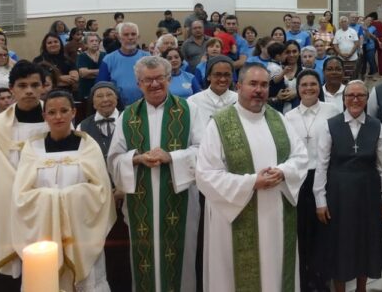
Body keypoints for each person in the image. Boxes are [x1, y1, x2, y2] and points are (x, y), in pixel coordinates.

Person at [196, 63, 309, 292]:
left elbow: (300, 156)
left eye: (264, 85)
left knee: (276, 272)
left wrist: (284, 171)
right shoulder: (220, 123)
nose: (259, 90)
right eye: (253, 84)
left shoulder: (278, 119)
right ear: (238, 87)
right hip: (235, 216)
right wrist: (251, 183)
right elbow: (205, 174)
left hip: (276, 214)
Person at [107, 56, 207, 292]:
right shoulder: (128, 115)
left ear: (169, 79)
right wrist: (136, 158)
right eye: (147, 80)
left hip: (180, 198)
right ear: (138, 83)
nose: (154, 84)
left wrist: (172, 157)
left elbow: (204, 151)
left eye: (159, 78)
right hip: (140, 201)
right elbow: (113, 158)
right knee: (144, 260)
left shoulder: (190, 110)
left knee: (181, 259)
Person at [12, 90, 116, 292]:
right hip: (44, 232)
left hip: (82, 232)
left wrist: (64, 197)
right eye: (51, 112)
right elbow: (21, 195)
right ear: (44, 116)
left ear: (73, 112)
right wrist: (55, 198)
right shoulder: (32, 148)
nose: (58, 117)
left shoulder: (87, 146)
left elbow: (101, 192)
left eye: (64, 111)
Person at [0, 60, 50, 289]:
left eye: (35, 85)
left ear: (43, 86)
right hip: (10, 207)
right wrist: (20, 194)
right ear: (12, 88)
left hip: (47, 203)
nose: (29, 91)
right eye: (22, 85)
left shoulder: (55, 118)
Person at [314, 80, 382, 292]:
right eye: (351, 96)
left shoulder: (376, 125)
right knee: (341, 242)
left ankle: (361, 288)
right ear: (344, 99)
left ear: (367, 99)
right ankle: (339, 288)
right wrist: (320, 200)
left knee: (365, 241)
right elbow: (321, 165)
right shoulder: (330, 125)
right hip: (339, 193)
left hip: (368, 192)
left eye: (360, 96)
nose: (355, 100)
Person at [284, 69, 341, 292]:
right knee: (302, 229)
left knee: (324, 229)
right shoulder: (288, 116)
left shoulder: (332, 111)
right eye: (304, 85)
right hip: (299, 179)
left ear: (320, 86)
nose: (308, 88)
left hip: (325, 176)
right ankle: (304, 275)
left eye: (313, 84)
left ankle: (322, 276)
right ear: (297, 89)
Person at [97, 22, 150, 106]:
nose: (130, 37)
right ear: (119, 38)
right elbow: (101, 87)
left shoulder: (148, 58)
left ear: (138, 37)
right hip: (118, 108)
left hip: (145, 105)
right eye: (126, 34)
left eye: (133, 34)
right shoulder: (109, 59)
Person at [77, 81, 121, 158]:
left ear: (116, 98)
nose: (105, 99)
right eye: (99, 96)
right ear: (92, 102)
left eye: (109, 94)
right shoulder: (82, 127)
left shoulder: (128, 120)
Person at [77, 33, 105, 100]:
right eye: (92, 41)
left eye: (96, 41)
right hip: (86, 90)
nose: (95, 43)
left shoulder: (105, 55)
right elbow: (83, 73)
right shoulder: (82, 56)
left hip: (101, 89)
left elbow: (109, 72)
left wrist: (90, 72)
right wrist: (101, 72)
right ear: (86, 44)